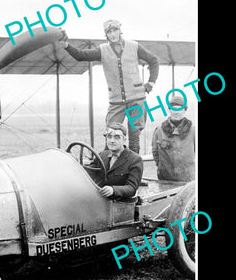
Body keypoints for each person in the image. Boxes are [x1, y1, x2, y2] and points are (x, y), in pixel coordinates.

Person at [60, 20, 159, 153]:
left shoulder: (134, 46)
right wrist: (66, 45)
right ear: (106, 34)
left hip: (137, 99)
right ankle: (107, 167)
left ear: (120, 30)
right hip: (116, 101)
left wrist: (150, 83)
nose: (112, 34)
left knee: (134, 137)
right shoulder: (103, 50)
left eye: (115, 30)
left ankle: (133, 168)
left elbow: (153, 60)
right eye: (109, 32)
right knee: (110, 134)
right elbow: (80, 55)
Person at [152, 95, 195, 181]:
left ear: (185, 110)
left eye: (180, 109)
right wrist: (162, 167)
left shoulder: (193, 130)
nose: (176, 112)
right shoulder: (159, 130)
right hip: (165, 178)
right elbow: (155, 152)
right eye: (174, 109)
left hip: (188, 178)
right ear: (169, 110)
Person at [97, 122, 143, 199]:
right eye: (109, 137)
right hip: (100, 200)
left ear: (124, 139)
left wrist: (113, 190)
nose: (112, 140)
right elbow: (90, 172)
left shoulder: (135, 159)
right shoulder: (102, 155)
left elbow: (132, 188)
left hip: (121, 202)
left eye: (117, 137)